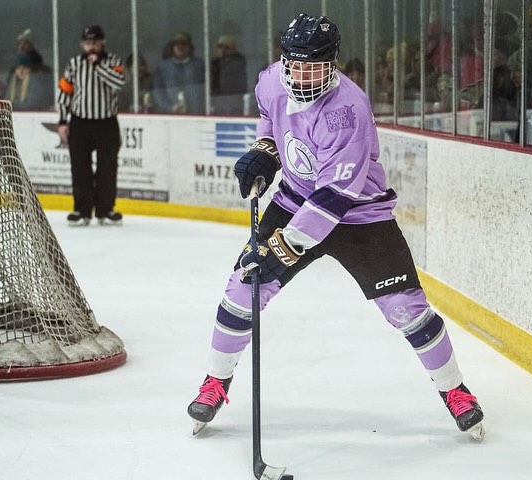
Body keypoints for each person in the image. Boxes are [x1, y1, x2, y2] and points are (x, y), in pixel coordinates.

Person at [187, 13, 485, 441]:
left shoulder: (348, 110)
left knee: (407, 310)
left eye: (314, 66)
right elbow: (270, 122)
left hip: (359, 217)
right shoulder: (272, 80)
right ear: (284, 60)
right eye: (296, 64)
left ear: (332, 64)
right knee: (242, 289)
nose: (303, 75)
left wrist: (284, 248)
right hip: (292, 202)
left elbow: (334, 198)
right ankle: (216, 382)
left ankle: (455, 391)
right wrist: (264, 153)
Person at [57, 25, 125, 226]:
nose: (91, 47)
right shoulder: (74, 64)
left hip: (106, 123)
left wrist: (99, 66)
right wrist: (62, 121)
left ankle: (105, 210)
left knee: (107, 168)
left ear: (101, 42)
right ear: (82, 44)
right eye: (87, 43)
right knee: (80, 168)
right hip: (80, 123)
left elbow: (118, 83)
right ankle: (81, 210)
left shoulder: (113, 61)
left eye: (94, 42)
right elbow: (64, 93)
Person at [152, 32, 205, 114]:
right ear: (172, 47)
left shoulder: (199, 65)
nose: (180, 46)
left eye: (184, 44)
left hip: (197, 115)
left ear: (190, 47)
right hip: (171, 116)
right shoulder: (162, 67)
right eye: (177, 44)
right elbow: (158, 92)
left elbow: (206, 90)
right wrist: (170, 107)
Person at [6, 29, 53, 111]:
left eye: (24, 68)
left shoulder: (37, 80)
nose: (21, 70)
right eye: (18, 68)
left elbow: (32, 103)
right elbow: (7, 97)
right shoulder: (13, 80)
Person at [211, 34, 247, 114]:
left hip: (234, 99)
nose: (222, 50)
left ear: (233, 48)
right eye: (220, 47)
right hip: (218, 99)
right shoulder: (215, 63)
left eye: (226, 47)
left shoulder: (238, 61)